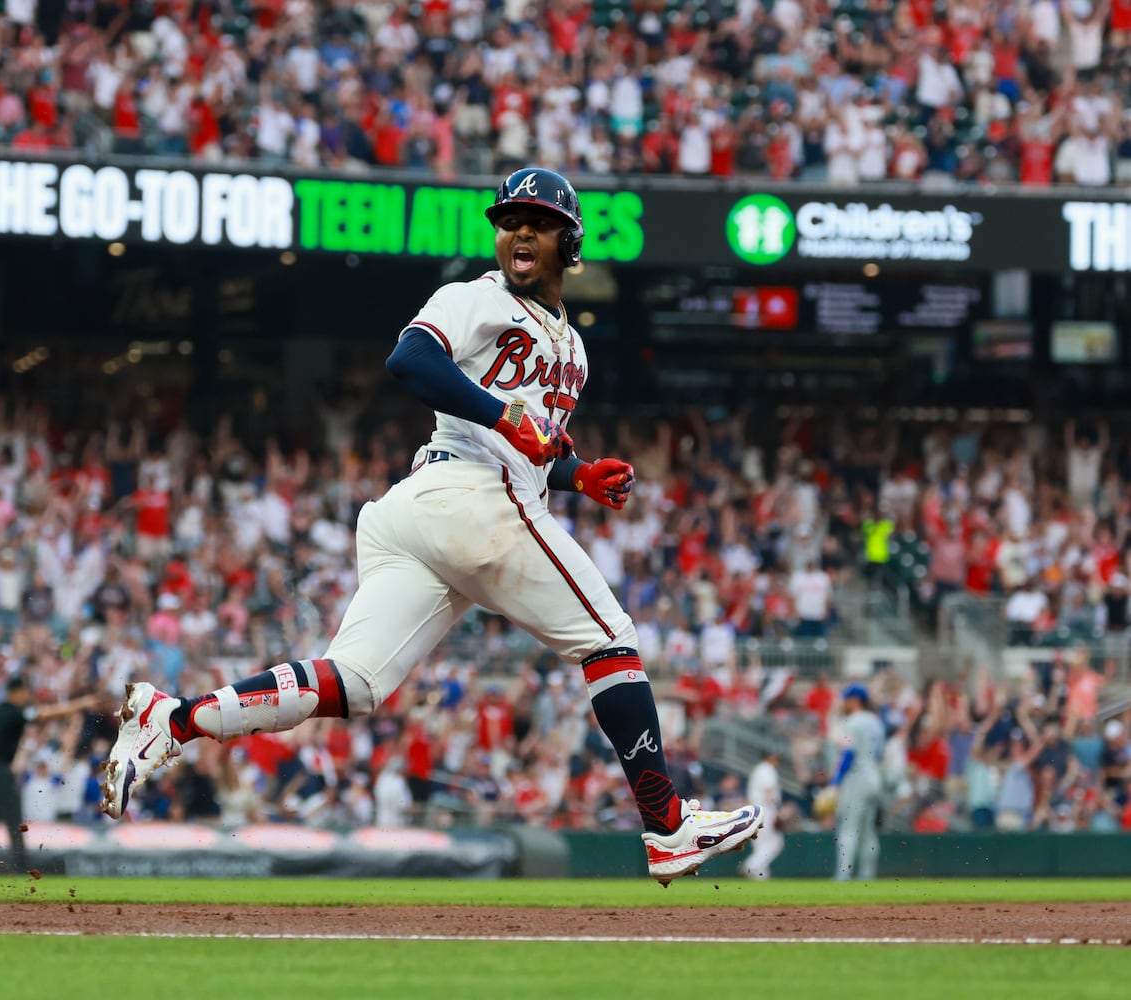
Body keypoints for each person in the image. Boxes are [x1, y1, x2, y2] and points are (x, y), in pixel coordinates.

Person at [99, 166, 763, 885]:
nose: (520, 232)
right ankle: (667, 828)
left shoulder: (573, 347)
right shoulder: (475, 297)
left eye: (537, 222)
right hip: (462, 500)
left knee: (352, 683)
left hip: (432, 511)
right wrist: (511, 419)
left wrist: (579, 474)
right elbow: (411, 359)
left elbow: (525, 447)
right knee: (610, 640)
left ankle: (174, 721)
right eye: (510, 220)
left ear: (569, 240)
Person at [0, 677, 97, 873]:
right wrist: (80, 704)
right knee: (14, 820)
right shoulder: (15, 712)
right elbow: (48, 714)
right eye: (24, 693)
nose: (25, 697)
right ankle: (21, 866)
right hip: (2, 771)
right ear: (17, 691)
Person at [832, 683, 885, 881]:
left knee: (848, 827)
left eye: (846, 699)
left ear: (855, 701)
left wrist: (836, 781)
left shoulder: (853, 722)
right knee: (868, 830)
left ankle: (843, 875)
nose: (843, 703)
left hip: (857, 777)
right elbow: (879, 753)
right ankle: (867, 876)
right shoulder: (876, 721)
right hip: (874, 775)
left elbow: (849, 753)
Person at [742, 747, 784, 879]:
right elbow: (769, 792)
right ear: (770, 757)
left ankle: (760, 875)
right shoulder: (767, 769)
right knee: (776, 843)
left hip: (755, 811)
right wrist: (777, 811)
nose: (778, 760)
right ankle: (752, 865)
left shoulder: (759, 769)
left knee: (761, 845)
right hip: (765, 811)